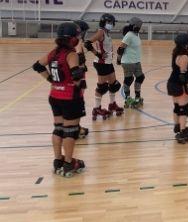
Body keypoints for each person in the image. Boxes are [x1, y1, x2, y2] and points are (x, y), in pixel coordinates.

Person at [32, 22, 87, 177]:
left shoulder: (54, 53)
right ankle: (69, 163)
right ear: (72, 38)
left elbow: (37, 66)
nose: (78, 38)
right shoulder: (71, 54)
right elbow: (76, 75)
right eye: (77, 36)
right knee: (71, 130)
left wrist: (51, 80)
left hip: (55, 95)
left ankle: (58, 160)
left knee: (58, 128)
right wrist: (80, 82)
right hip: (70, 97)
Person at [84, 13, 123, 120]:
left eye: (111, 23)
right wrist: (98, 54)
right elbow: (87, 43)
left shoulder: (106, 33)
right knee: (102, 87)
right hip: (101, 63)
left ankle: (112, 104)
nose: (111, 24)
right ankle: (96, 108)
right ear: (103, 22)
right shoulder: (101, 32)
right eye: (109, 22)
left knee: (114, 85)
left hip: (108, 63)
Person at [167, 34, 188, 144]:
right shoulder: (184, 57)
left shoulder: (176, 53)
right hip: (178, 84)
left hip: (172, 83)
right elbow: (183, 77)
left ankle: (177, 126)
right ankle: (182, 132)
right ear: (185, 44)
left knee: (177, 107)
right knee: (184, 109)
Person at [117, 17, 145, 108]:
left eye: (140, 27)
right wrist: (118, 59)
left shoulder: (137, 34)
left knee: (140, 77)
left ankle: (137, 98)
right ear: (133, 26)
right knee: (129, 80)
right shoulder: (129, 35)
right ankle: (127, 98)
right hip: (128, 61)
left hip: (136, 61)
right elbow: (121, 48)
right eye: (137, 26)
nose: (139, 28)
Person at [72, 20, 90, 139]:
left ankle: (73, 127)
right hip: (78, 75)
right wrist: (82, 67)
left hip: (72, 74)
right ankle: (75, 129)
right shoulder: (77, 41)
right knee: (76, 101)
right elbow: (79, 56)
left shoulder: (68, 40)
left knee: (73, 101)